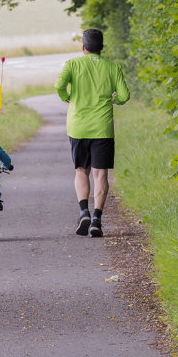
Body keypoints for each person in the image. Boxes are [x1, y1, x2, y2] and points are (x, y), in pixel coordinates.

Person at [54, 28, 130, 237]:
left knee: (81, 170)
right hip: (103, 128)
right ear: (101, 48)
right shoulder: (113, 67)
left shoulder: (73, 64)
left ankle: (84, 211)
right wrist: (116, 100)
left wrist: (65, 96)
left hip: (78, 126)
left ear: (83, 47)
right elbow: (125, 95)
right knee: (100, 173)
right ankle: (97, 219)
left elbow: (59, 85)